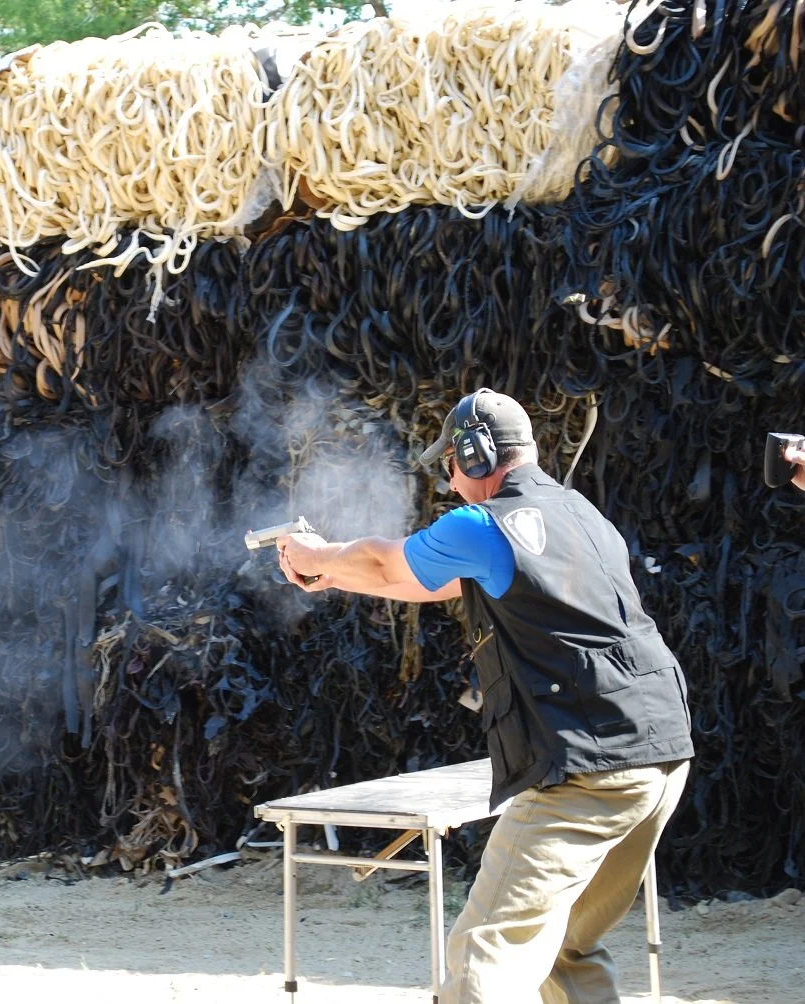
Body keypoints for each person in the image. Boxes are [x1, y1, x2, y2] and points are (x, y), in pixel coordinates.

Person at [276, 388, 693, 1004]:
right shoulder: (581, 514)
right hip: (660, 756)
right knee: (567, 946)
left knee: (482, 960)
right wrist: (331, 573)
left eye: (450, 463)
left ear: (474, 454)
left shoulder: (484, 524)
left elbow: (391, 565)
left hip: (587, 770)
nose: (448, 482)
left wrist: (320, 555)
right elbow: (433, 581)